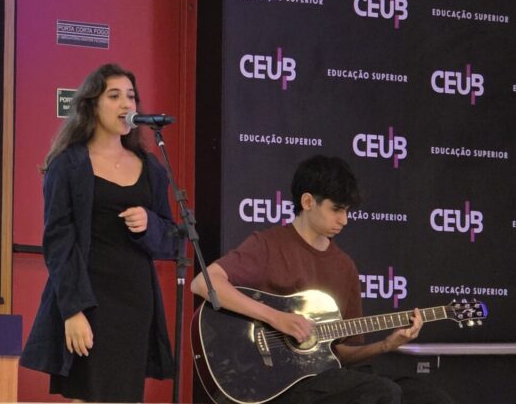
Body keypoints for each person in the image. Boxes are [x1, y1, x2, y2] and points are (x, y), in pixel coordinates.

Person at [190, 155, 453, 404]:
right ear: (307, 202)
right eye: (336, 209)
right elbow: (203, 283)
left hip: (327, 379)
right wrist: (276, 317)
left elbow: (343, 354)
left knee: (429, 397)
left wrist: (386, 344)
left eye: (347, 211)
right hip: (276, 383)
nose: (344, 220)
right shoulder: (268, 245)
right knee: (381, 391)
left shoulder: (344, 266)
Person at [19, 63, 180, 402]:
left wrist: (149, 224)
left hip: (135, 303)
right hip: (89, 299)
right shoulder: (68, 164)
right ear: (92, 105)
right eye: (114, 96)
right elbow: (58, 243)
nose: (126, 104)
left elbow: (170, 239)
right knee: (88, 395)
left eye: (131, 97)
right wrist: (72, 310)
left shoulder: (151, 167)